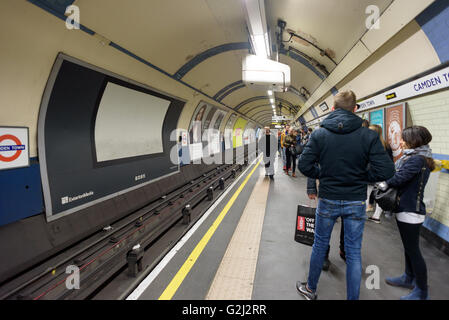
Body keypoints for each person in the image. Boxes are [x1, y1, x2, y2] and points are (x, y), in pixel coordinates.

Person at [296, 90, 395, 300]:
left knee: (320, 244)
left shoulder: (320, 134)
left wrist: (322, 173)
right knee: (353, 251)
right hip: (355, 200)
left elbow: (304, 165)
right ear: (355, 109)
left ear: (332, 108)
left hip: (328, 198)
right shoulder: (368, 135)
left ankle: (311, 289)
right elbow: (387, 171)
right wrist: (363, 176)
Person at [383, 126, 435, 300]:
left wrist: (383, 180)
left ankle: (422, 291)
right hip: (409, 209)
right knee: (408, 248)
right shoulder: (418, 158)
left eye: (405, 139)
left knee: (414, 251)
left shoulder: (416, 160)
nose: (402, 142)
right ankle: (408, 277)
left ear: (415, 140)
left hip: (410, 211)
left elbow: (398, 179)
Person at [307, 178, 346, 271]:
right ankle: (324, 254)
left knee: (348, 225)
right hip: (329, 188)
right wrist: (311, 188)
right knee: (324, 226)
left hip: (352, 191)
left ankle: (345, 250)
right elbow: (312, 164)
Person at [367, 125, 394, 223]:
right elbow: (390, 160)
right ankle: (376, 216)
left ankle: (362, 215)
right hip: (382, 174)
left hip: (371, 173)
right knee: (380, 194)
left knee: (367, 193)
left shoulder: (368, 144)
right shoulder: (386, 145)